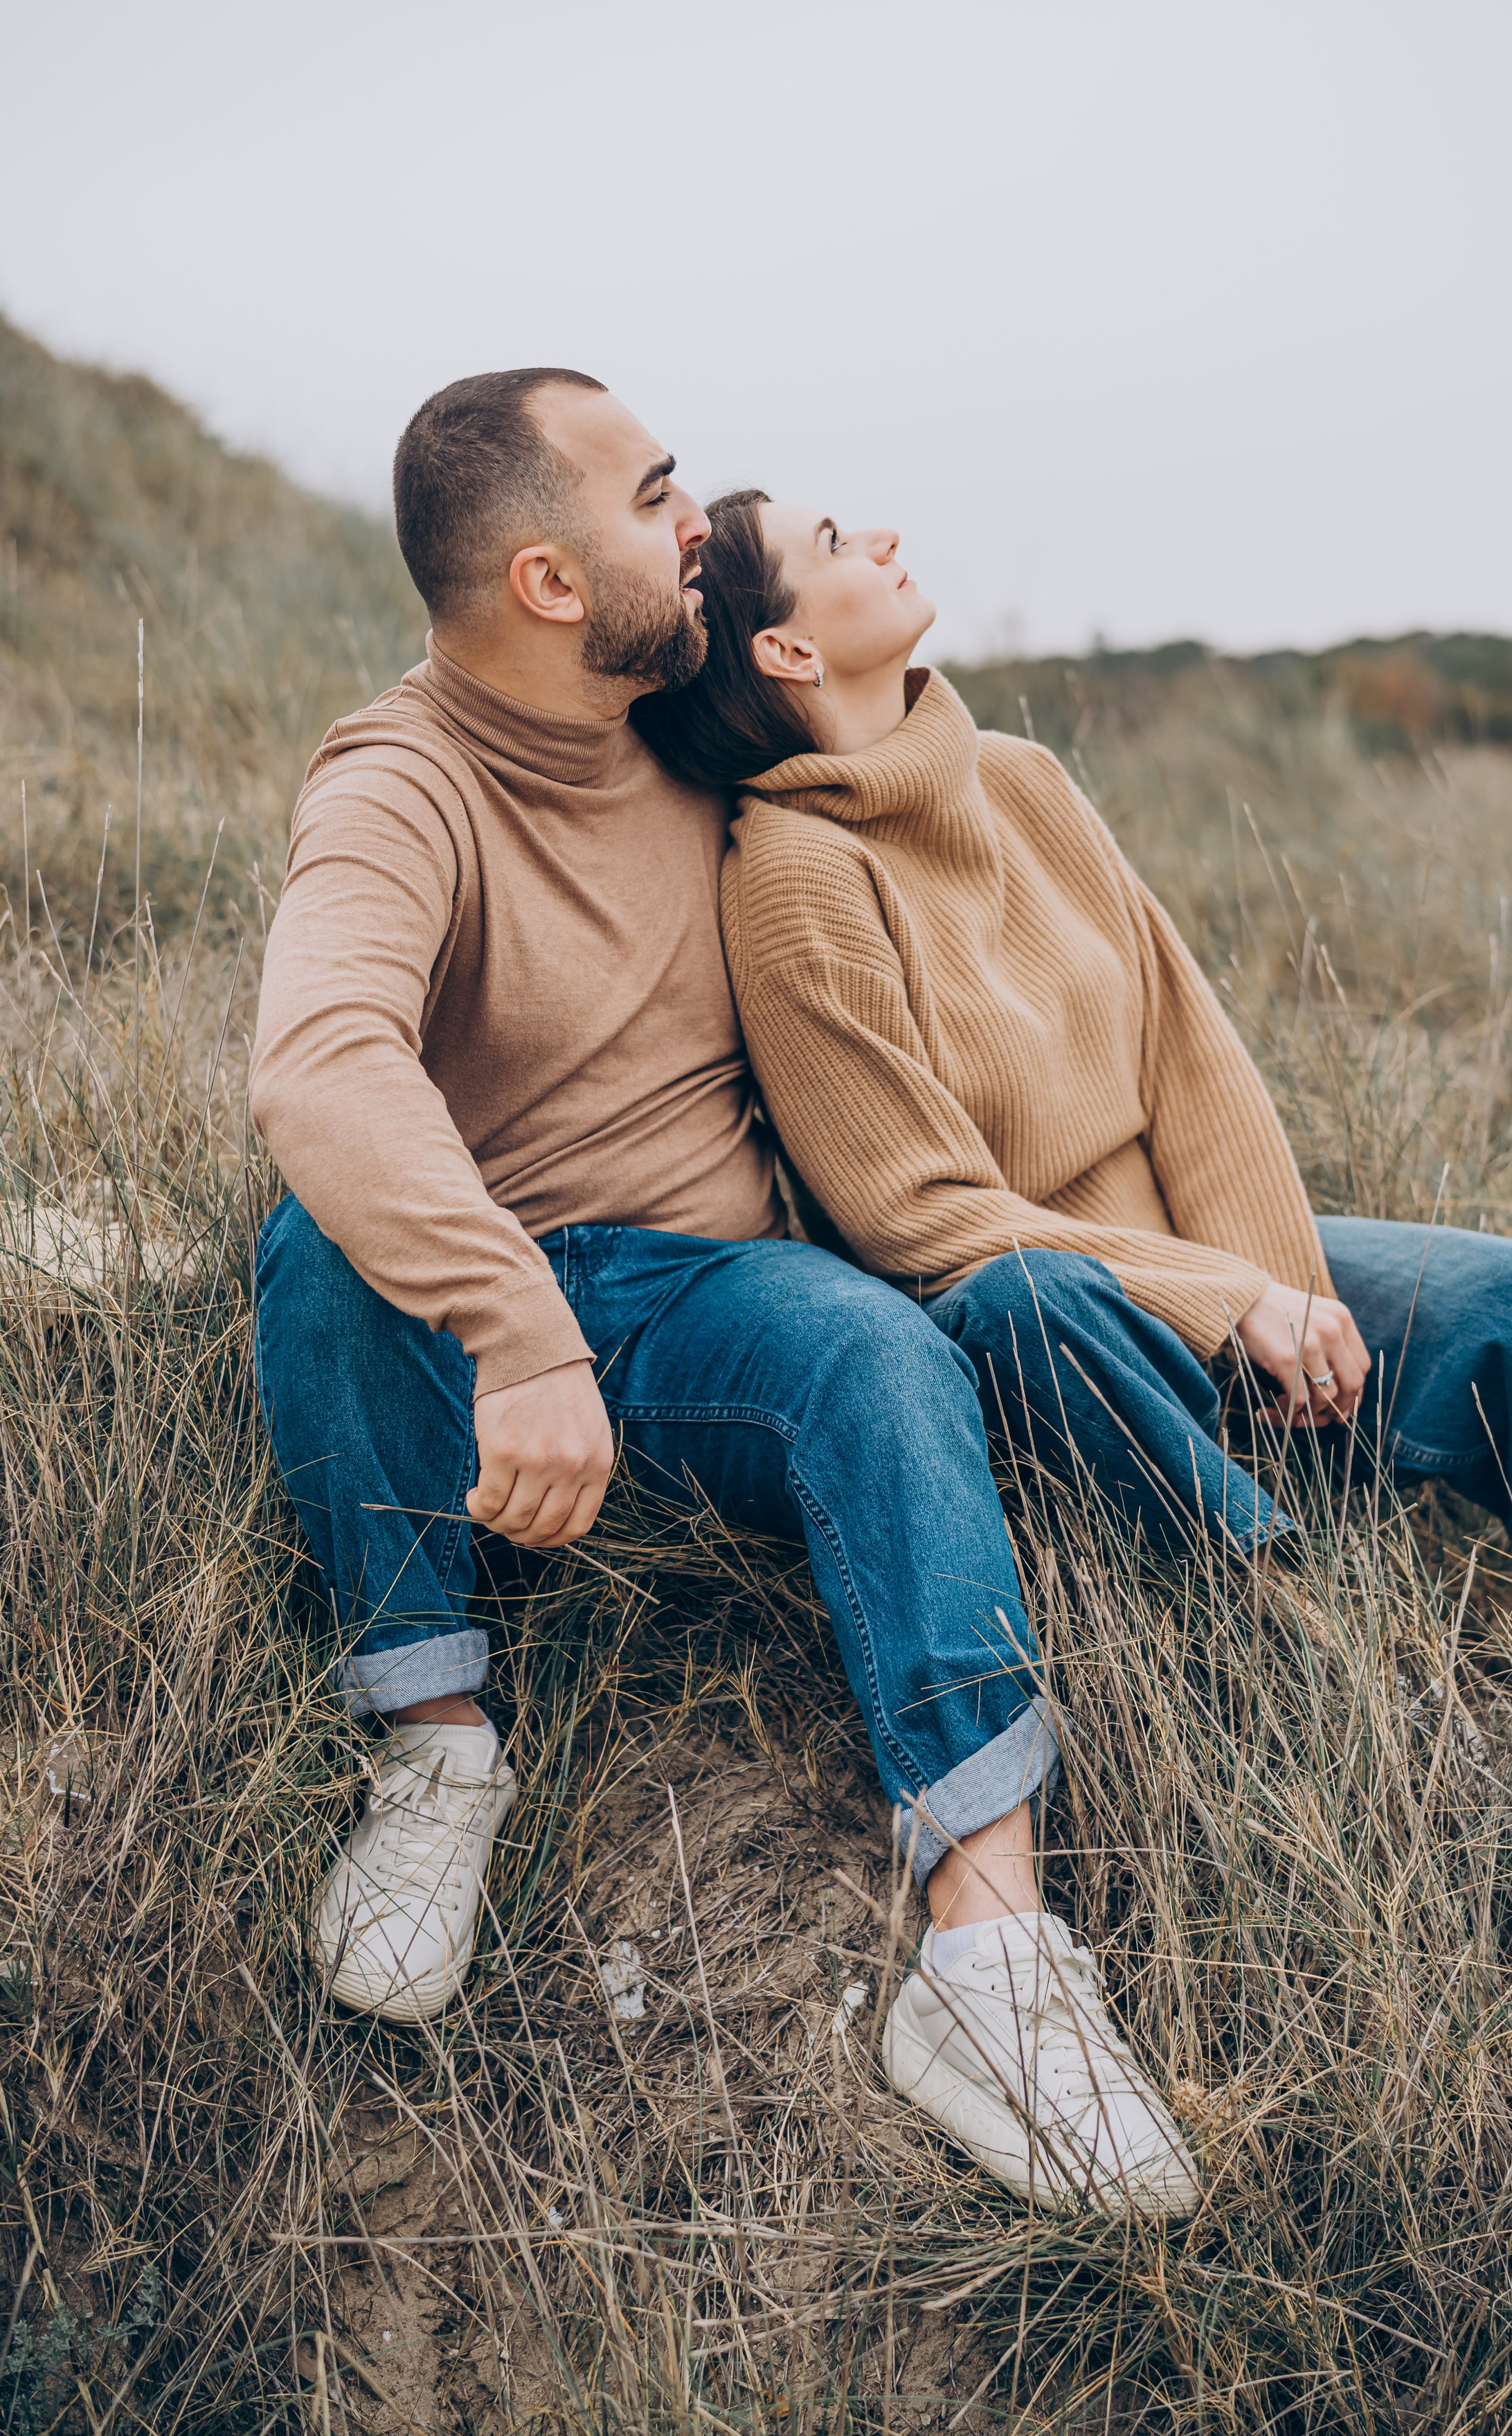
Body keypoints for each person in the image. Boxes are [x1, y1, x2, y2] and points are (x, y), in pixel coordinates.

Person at [249, 370, 1199, 2219]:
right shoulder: (402, 780)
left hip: (711, 1307)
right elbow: (320, 1061)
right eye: (657, 490)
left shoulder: (698, 749)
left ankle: (990, 1961)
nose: (701, 518)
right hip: (476, 1307)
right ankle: (438, 1754)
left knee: (876, 1355)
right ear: (543, 578)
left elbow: (916, 814)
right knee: (313, 1235)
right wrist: (516, 1327)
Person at [633, 489, 1512, 1931]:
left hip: (1207, 1284)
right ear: (788, 655)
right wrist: (1218, 1305)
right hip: (1045, 1330)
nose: (882, 537)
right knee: (1023, 1299)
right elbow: (912, 1214)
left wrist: (1280, 1294)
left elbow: (1188, 1050)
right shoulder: (789, 874)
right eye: (835, 543)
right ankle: (1330, 1668)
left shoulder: (1022, 780)